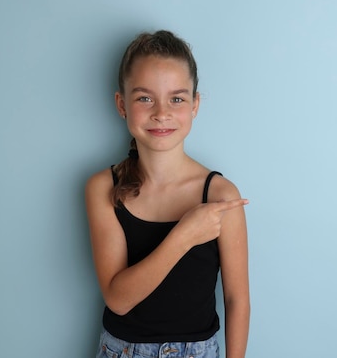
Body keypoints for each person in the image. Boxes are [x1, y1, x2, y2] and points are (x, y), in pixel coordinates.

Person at [85, 30, 250, 358]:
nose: (162, 112)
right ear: (122, 104)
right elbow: (118, 299)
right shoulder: (102, 187)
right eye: (145, 98)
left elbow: (237, 299)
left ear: (195, 105)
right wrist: (185, 235)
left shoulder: (219, 194)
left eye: (177, 98)